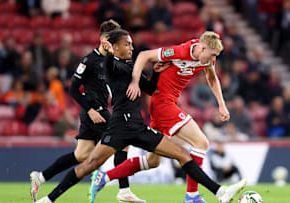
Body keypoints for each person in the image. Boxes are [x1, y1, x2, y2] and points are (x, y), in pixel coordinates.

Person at [35, 29, 246, 203]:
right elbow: (123, 63)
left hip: (137, 126)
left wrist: (156, 71)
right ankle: (49, 199)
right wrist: (119, 62)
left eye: (131, 44)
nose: (132, 48)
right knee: (86, 165)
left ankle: (106, 179)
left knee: (168, 158)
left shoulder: (129, 66)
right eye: (127, 44)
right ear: (114, 47)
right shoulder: (111, 65)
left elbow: (150, 85)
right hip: (120, 126)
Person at [95, 31, 233, 203]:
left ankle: (104, 177)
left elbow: (212, 78)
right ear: (203, 47)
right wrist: (135, 81)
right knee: (201, 143)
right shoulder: (181, 51)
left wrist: (221, 104)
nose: (213, 60)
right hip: (162, 103)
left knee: (153, 161)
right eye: (212, 55)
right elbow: (145, 55)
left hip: (166, 103)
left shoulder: (207, 57)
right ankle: (192, 196)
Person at [30, 20, 145, 203]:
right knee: (124, 141)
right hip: (94, 112)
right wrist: (90, 109)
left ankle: (42, 178)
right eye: (111, 39)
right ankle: (124, 190)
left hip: (99, 112)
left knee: (81, 155)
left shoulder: (111, 61)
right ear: (102, 39)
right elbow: (74, 88)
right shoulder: (89, 60)